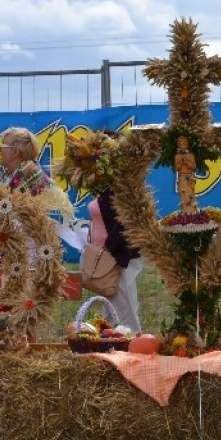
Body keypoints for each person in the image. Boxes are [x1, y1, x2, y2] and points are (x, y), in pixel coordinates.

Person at [88, 131, 143, 332]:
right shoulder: (106, 184)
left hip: (120, 256)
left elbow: (125, 222)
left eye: (99, 152)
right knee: (111, 308)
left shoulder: (124, 184)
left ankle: (133, 346)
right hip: (108, 255)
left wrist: (108, 250)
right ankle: (110, 345)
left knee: (125, 307)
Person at [174, 134, 198, 214]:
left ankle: (192, 212)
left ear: (187, 144)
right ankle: (184, 213)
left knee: (190, 195)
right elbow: (176, 168)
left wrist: (187, 162)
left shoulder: (190, 154)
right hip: (181, 177)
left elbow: (194, 166)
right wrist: (181, 162)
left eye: (184, 143)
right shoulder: (177, 155)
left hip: (190, 177)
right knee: (183, 196)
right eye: (180, 144)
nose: (182, 145)